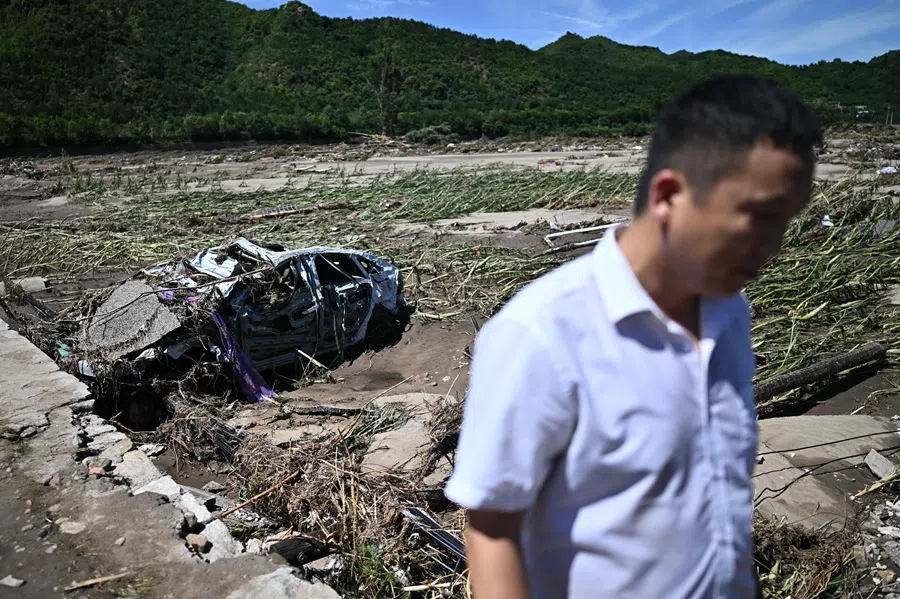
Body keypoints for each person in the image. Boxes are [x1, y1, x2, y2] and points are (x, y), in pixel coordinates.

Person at [444, 75, 822, 599]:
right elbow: (491, 528)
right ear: (669, 194)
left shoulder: (730, 313)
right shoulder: (541, 334)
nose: (775, 247)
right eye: (760, 218)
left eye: (786, 222)